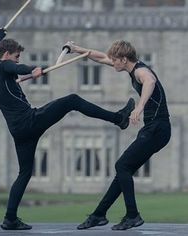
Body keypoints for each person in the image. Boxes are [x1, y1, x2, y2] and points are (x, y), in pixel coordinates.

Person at [0, 29, 135, 230]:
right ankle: (119, 119)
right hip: (30, 121)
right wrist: (33, 69)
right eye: (16, 55)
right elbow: (14, 67)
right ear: (6, 55)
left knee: (24, 173)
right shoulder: (5, 65)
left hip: (18, 131)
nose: (16, 59)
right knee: (72, 100)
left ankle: (9, 219)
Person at [64, 40, 171, 230]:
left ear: (123, 59)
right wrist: (78, 50)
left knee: (121, 165)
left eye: (115, 60)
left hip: (157, 129)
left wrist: (139, 107)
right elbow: (100, 56)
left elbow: (150, 81)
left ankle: (133, 215)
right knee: (124, 171)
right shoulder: (130, 68)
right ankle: (98, 215)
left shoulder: (140, 71)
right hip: (156, 129)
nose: (112, 63)